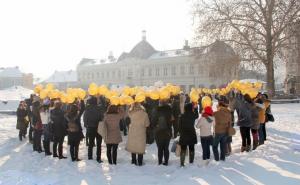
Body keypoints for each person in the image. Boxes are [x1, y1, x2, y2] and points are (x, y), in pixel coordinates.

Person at [83, 96, 104, 163]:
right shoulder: (99, 108)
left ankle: (90, 156)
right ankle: (98, 158)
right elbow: (102, 117)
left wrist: (86, 125)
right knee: (99, 144)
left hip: (90, 127)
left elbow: (85, 117)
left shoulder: (87, 108)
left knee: (91, 143)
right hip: (98, 127)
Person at [153, 100, 173, 166]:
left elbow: (153, 122)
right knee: (166, 148)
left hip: (158, 132)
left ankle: (160, 161)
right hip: (167, 132)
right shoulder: (170, 111)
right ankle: (166, 162)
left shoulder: (157, 111)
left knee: (160, 148)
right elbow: (173, 121)